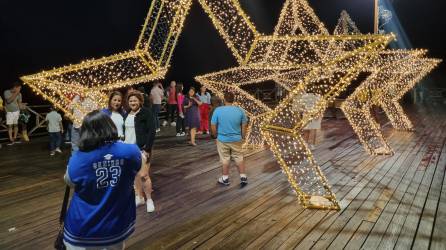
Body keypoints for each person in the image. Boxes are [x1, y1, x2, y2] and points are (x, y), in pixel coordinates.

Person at [63, 111, 147, 249]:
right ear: (110, 126)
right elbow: (142, 169)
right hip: (116, 225)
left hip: (83, 229)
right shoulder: (131, 151)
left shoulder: (78, 159)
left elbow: (70, 181)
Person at [124, 91, 156, 213]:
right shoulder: (126, 114)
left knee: (143, 175)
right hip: (128, 149)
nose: (133, 102)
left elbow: (152, 131)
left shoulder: (146, 113)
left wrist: (147, 149)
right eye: (131, 100)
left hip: (142, 148)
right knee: (134, 175)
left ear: (140, 101)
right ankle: (139, 197)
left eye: (135, 100)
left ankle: (149, 200)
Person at [211, 92, 248, 187]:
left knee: (224, 159)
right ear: (233, 100)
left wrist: (215, 136)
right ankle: (243, 177)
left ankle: (225, 178)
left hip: (222, 139)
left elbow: (213, 125)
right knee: (239, 157)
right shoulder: (240, 110)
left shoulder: (218, 110)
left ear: (224, 100)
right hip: (236, 139)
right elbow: (244, 125)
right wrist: (243, 136)